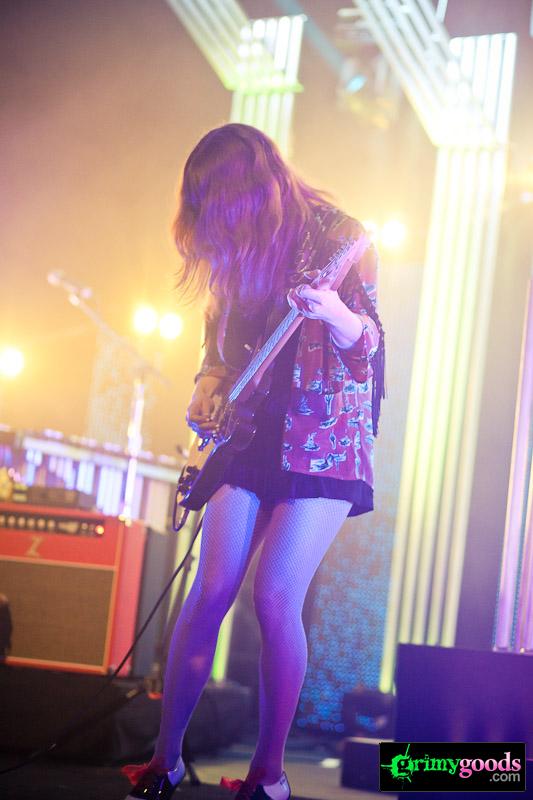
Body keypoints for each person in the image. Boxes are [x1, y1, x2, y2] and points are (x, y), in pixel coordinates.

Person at [122, 122, 385, 800]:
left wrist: (333, 311)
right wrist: (205, 386)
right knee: (210, 590)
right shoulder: (232, 251)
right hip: (246, 436)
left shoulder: (337, 235)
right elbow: (218, 345)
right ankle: (164, 761)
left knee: (273, 598)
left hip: (322, 442)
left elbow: (369, 349)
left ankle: (269, 776)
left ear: (252, 188)